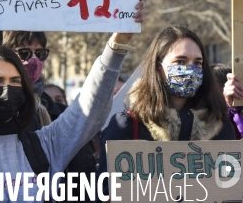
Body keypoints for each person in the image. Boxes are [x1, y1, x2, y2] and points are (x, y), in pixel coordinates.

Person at [0, 0, 145, 202]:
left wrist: (117, 46)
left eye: (15, 81)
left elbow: (89, 109)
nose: (7, 89)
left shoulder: (45, 145)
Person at [98, 25, 235, 195]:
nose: (190, 69)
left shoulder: (219, 126)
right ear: (157, 67)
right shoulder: (126, 126)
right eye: (180, 61)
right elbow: (105, 194)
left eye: (197, 63)